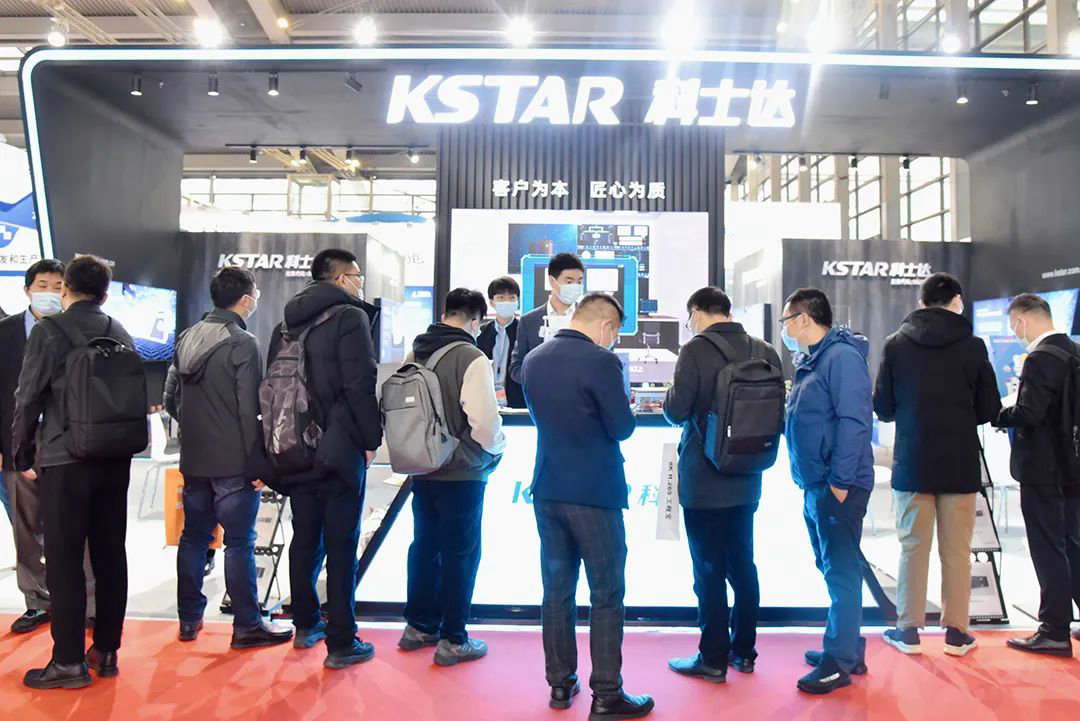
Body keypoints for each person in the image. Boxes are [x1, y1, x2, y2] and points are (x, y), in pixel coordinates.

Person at [522, 293, 654, 720]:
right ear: (605, 326)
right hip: (594, 492)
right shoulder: (602, 361)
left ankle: (560, 683)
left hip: (548, 487)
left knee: (557, 591)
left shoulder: (535, 359)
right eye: (615, 332)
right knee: (606, 593)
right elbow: (622, 427)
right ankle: (607, 693)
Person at [12, 255, 138, 689]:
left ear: (66, 288)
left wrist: (21, 452)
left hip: (65, 458)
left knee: (64, 560)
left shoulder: (49, 332)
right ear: (106, 292)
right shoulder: (119, 330)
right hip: (115, 458)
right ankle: (106, 651)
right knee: (110, 554)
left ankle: (67, 661)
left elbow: (27, 397)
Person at [163, 267, 293, 649]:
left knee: (193, 538)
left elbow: (171, 398)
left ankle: (189, 619)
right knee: (239, 542)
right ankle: (247, 624)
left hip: (194, 459)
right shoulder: (242, 342)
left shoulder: (187, 336)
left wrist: (196, 428)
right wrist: (258, 460)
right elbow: (249, 407)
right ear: (246, 299)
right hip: (233, 462)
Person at [873, 273, 1001, 657]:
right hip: (960, 461)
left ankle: (908, 630)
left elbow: (883, 407)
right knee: (957, 551)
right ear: (957, 301)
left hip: (913, 460)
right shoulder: (973, 346)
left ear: (921, 302)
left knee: (913, 548)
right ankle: (957, 633)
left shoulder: (896, 344)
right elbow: (989, 408)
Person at [268, 248, 382, 670]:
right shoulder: (349, 317)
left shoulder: (285, 324)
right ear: (339, 279)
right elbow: (360, 384)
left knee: (305, 537)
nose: (360, 282)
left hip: (294, 446)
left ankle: (306, 624)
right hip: (339, 447)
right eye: (356, 275)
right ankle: (341, 640)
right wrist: (371, 439)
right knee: (341, 543)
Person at [663, 287, 781, 682]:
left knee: (708, 569)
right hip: (748, 476)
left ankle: (712, 657)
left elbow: (676, 410)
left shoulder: (695, 351)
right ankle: (744, 651)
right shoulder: (764, 350)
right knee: (743, 564)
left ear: (696, 312)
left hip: (704, 479)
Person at [398, 288, 506, 665]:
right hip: (461, 471)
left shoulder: (416, 352)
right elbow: (483, 421)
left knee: (425, 546)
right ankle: (454, 638)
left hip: (422, 465)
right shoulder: (471, 356)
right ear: (475, 321)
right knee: (461, 552)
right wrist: (496, 449)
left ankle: (418, 626)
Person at [780, 288, 874, 695]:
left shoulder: (841, 358)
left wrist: (839, 481)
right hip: (816, 482)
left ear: (803, 319)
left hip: (837, 485)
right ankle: (847, 645)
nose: (784, 329)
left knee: (841, 570)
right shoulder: (816, 359)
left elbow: (855, 423)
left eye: (786, 321)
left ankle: (838, 661)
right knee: (832, 565)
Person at [995, 293, 1080, 657]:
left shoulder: (1041, 357)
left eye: (1013, 326)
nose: (1015, 333)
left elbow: (1030, 413)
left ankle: (1054, 629)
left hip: (1044, 469)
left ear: (1021, 320)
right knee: (1072, 543)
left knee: (1048, 547)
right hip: (1072, 466)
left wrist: (999, 415)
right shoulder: (1073, 351)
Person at [0, 259, 78, 635]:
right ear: (27, 289)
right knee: (26, 528)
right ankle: (37, 600)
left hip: (68, 443)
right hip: (17, 442)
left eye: (57, 286)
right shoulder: (5, 332)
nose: (49, 292)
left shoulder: (76, 330)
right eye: (42, 285)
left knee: (76, 526)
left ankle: (84, 601)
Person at [509, 253, 585, 386]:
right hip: (541, 394)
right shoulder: (529, 321)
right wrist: (539, 379)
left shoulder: (589, 318)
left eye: (579, 282)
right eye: (569, 282)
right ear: (552, 281)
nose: (575, 286)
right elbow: (516, 367)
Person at [477, 276, 525, 409]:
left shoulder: (523, 331)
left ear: (518, 301)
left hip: (517, 401)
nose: (507, 302)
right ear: (491, 302)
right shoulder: (481, 332)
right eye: (501, 298)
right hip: (485, 401)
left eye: (512, 298)